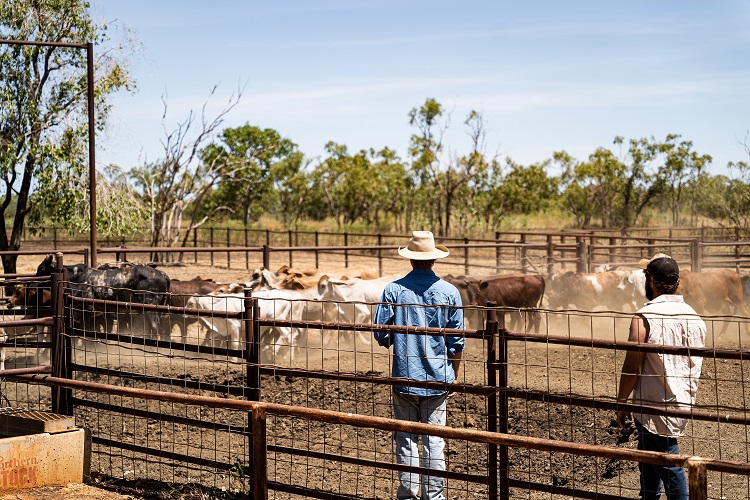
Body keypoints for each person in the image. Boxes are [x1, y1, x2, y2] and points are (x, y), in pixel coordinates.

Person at [373, 230, 465, 500]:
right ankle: (434, 497)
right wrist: (453, 376)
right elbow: (457, 340)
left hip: (404, 376)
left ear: (410, 260)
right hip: (438, 378)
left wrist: (399, 339)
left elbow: (381, 333)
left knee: (406, 438)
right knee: (435, 440)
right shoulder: (450, 292)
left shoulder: (393, 290)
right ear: (434, 260)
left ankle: (409, 495)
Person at [617, 253, 707, 500]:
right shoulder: (694, 318)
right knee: (648, 455)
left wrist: (621, 401)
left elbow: (632, 365)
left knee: (668, 460)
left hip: (652, 401)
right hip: (681, 399)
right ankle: (649, 496)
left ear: (651, 282)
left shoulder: (644, 318)